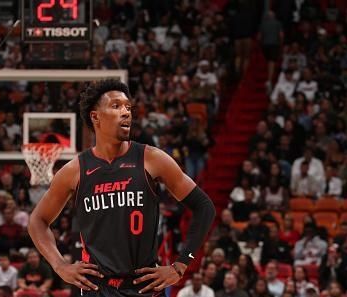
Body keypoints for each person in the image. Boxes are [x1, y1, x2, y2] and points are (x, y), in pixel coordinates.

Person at [28, 80, 216, 296]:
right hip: (97, 288)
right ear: (95, 116)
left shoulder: (151, 159)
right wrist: (59, 265)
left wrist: (181, 264)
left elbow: (204, 207)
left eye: (128, 107)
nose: (126, 112)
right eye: (116, 106)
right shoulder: (75, 170)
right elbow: (37, 221)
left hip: (143, 287)